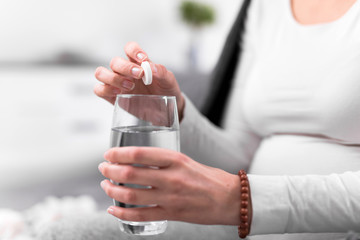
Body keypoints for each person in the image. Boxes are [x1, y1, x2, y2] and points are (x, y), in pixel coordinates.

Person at [94, 0, 360, 239]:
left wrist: (242, 200)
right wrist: (175, 113)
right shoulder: (264, 7)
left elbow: (237, 190)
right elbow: (237, 160)